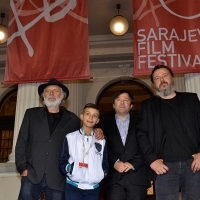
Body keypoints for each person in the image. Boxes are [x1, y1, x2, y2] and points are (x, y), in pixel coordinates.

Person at [15, 78, 104, 200]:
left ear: (63, 96)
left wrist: (97, 130)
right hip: (31, 174)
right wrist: (22, 168)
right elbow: (21, 142)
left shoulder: (72, 119)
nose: (51, 93)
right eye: (48, 91)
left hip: (57, 178)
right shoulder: (31, 114)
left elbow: (85, 132)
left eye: (55, 91)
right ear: (43, 95)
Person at [137, 64, 200, 200]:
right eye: (157, 78)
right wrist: (152, 161)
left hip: (193, 164)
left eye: (165, 76)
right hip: (164, 167)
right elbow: (141, 135)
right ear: (154, 84)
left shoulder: (191, 99)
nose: (162, 80)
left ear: (172, 78)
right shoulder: (147, 106)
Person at [102, 90, 150, 200]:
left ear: (131, 105)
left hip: (137, 176)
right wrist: (115, 162)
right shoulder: (103, 125)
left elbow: (147, 146)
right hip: (114, 178)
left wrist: (133, 163)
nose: (122, 102)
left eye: (126, 100)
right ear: (113, 105)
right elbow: (102, 148)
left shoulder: (142, 123)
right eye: (118, 100)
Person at [59, 103, 108, 200]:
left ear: (97, 120)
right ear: (81, 116)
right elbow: (62, 161)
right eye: (88, 114)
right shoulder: (70, 137)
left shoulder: (101, 141)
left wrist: (102, 173)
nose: (91, 117)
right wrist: (71, 169)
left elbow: (105, 162)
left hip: (93, 188)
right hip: (73, 187)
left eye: (95, 116)